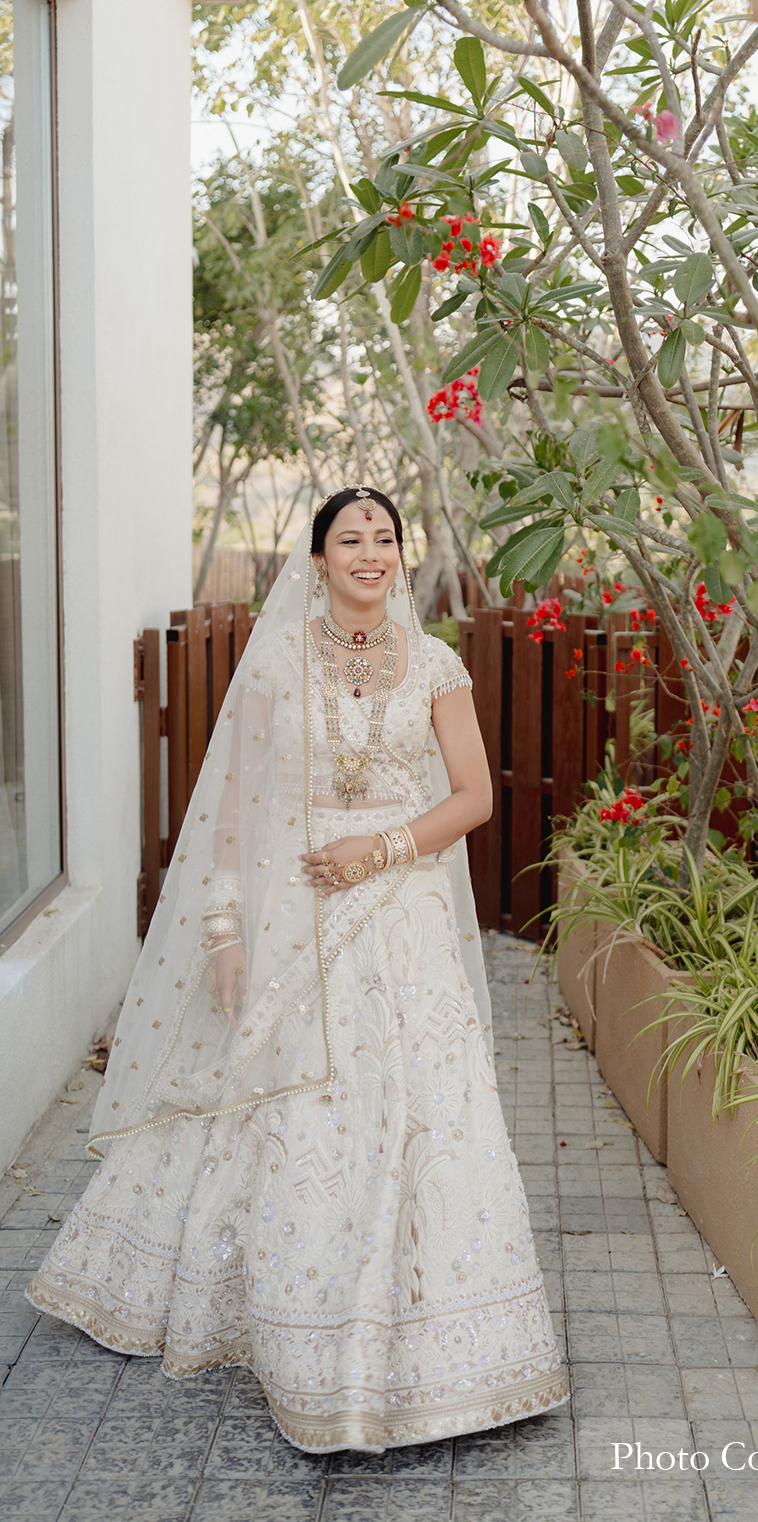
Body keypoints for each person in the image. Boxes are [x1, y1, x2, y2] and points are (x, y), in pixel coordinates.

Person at [27, 486, 567, 1451]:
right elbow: (233, 807)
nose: (370, 552)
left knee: (418, 1108)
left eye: (385, 538)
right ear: (316, 559)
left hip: (398, 910)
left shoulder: (437, 663)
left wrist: (382, 849)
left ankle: (437, 1335)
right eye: (349, 538)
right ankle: (272, 1307)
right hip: (292, 906)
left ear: (402, 557)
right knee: (275, 1107)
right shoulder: (277, 662)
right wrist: (226, 929)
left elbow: (476, 796)